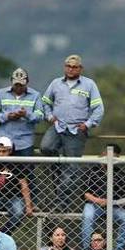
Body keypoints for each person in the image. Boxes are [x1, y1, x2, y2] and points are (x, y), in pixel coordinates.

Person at [39, 54, 104, 209]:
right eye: (68, 66)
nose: (71, 69)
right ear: (64, 67)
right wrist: (49, 116)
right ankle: (60, 168)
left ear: (80, 69)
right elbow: (44, 103)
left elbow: (98, 108)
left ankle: (62, 203)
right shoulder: (56, 83)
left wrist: (88, 124)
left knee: (73, 169)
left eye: (75, 66)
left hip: (76, 130)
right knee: (46, 148)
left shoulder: (89, 84)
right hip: (58, 126)